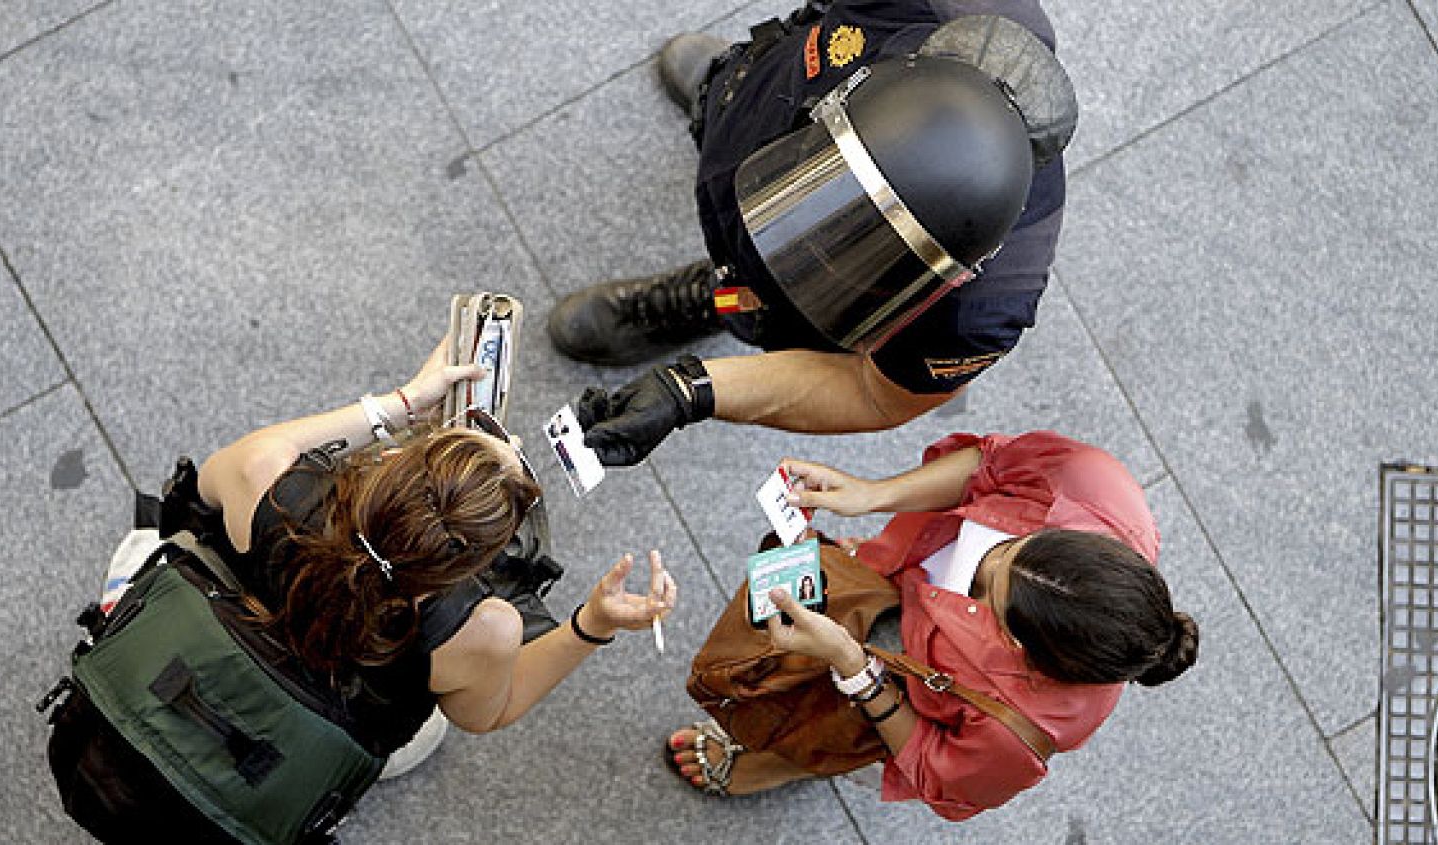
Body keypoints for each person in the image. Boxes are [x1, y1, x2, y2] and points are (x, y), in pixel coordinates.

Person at [176, 335, 678, 835]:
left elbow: (203, 490)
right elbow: (486, 714)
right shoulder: (481, 629)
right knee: (428, 733)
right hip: (313, 736)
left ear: (393, 464)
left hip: (198, 653)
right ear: (480, 563)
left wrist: (406, 402)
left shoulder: (265, 474)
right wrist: (593, 623)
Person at [549, 2, 1079, 467]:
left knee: (749, 301)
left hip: (788, 302)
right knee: (733, 102)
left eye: (869, 241)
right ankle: (715, 95)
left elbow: (872, 395)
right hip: (765, 101)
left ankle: (715, 299)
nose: (818, 238)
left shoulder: (984, 310)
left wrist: (690, 391)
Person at [666, 430, 1198, 820]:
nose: (983, 555)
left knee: (824, 728)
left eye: (986, 584)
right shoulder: (1094, 486)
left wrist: (853, 666)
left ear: (1015, 643)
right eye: (1013, 543)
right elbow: (988, 465)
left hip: (898, 684)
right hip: (892, 579)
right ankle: (800, 751)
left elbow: (934, 768)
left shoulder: (1022, 733)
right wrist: (871, 494)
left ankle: (792, 762)